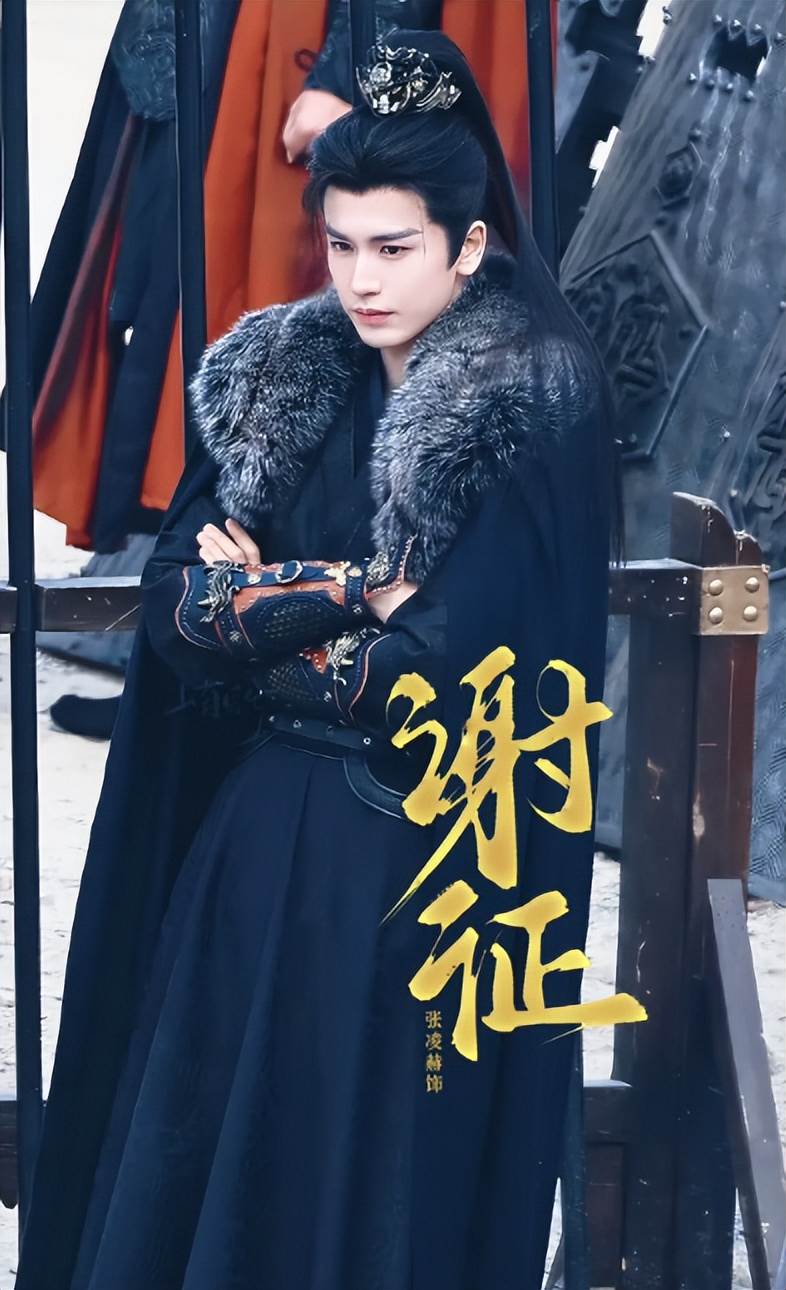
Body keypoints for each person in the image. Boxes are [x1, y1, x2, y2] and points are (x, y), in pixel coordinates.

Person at [15, 30, 623, 1290]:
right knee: (207, 1183)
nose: (361, 279)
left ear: (468, 244)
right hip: (248, 858)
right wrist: (348, 590)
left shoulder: (528, 399)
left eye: (394, 248)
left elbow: (431, 676)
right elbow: (178, 615)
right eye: (342, 244)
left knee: (365, 1190)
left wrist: (260, 607)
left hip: (412, 867)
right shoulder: (281, 375)